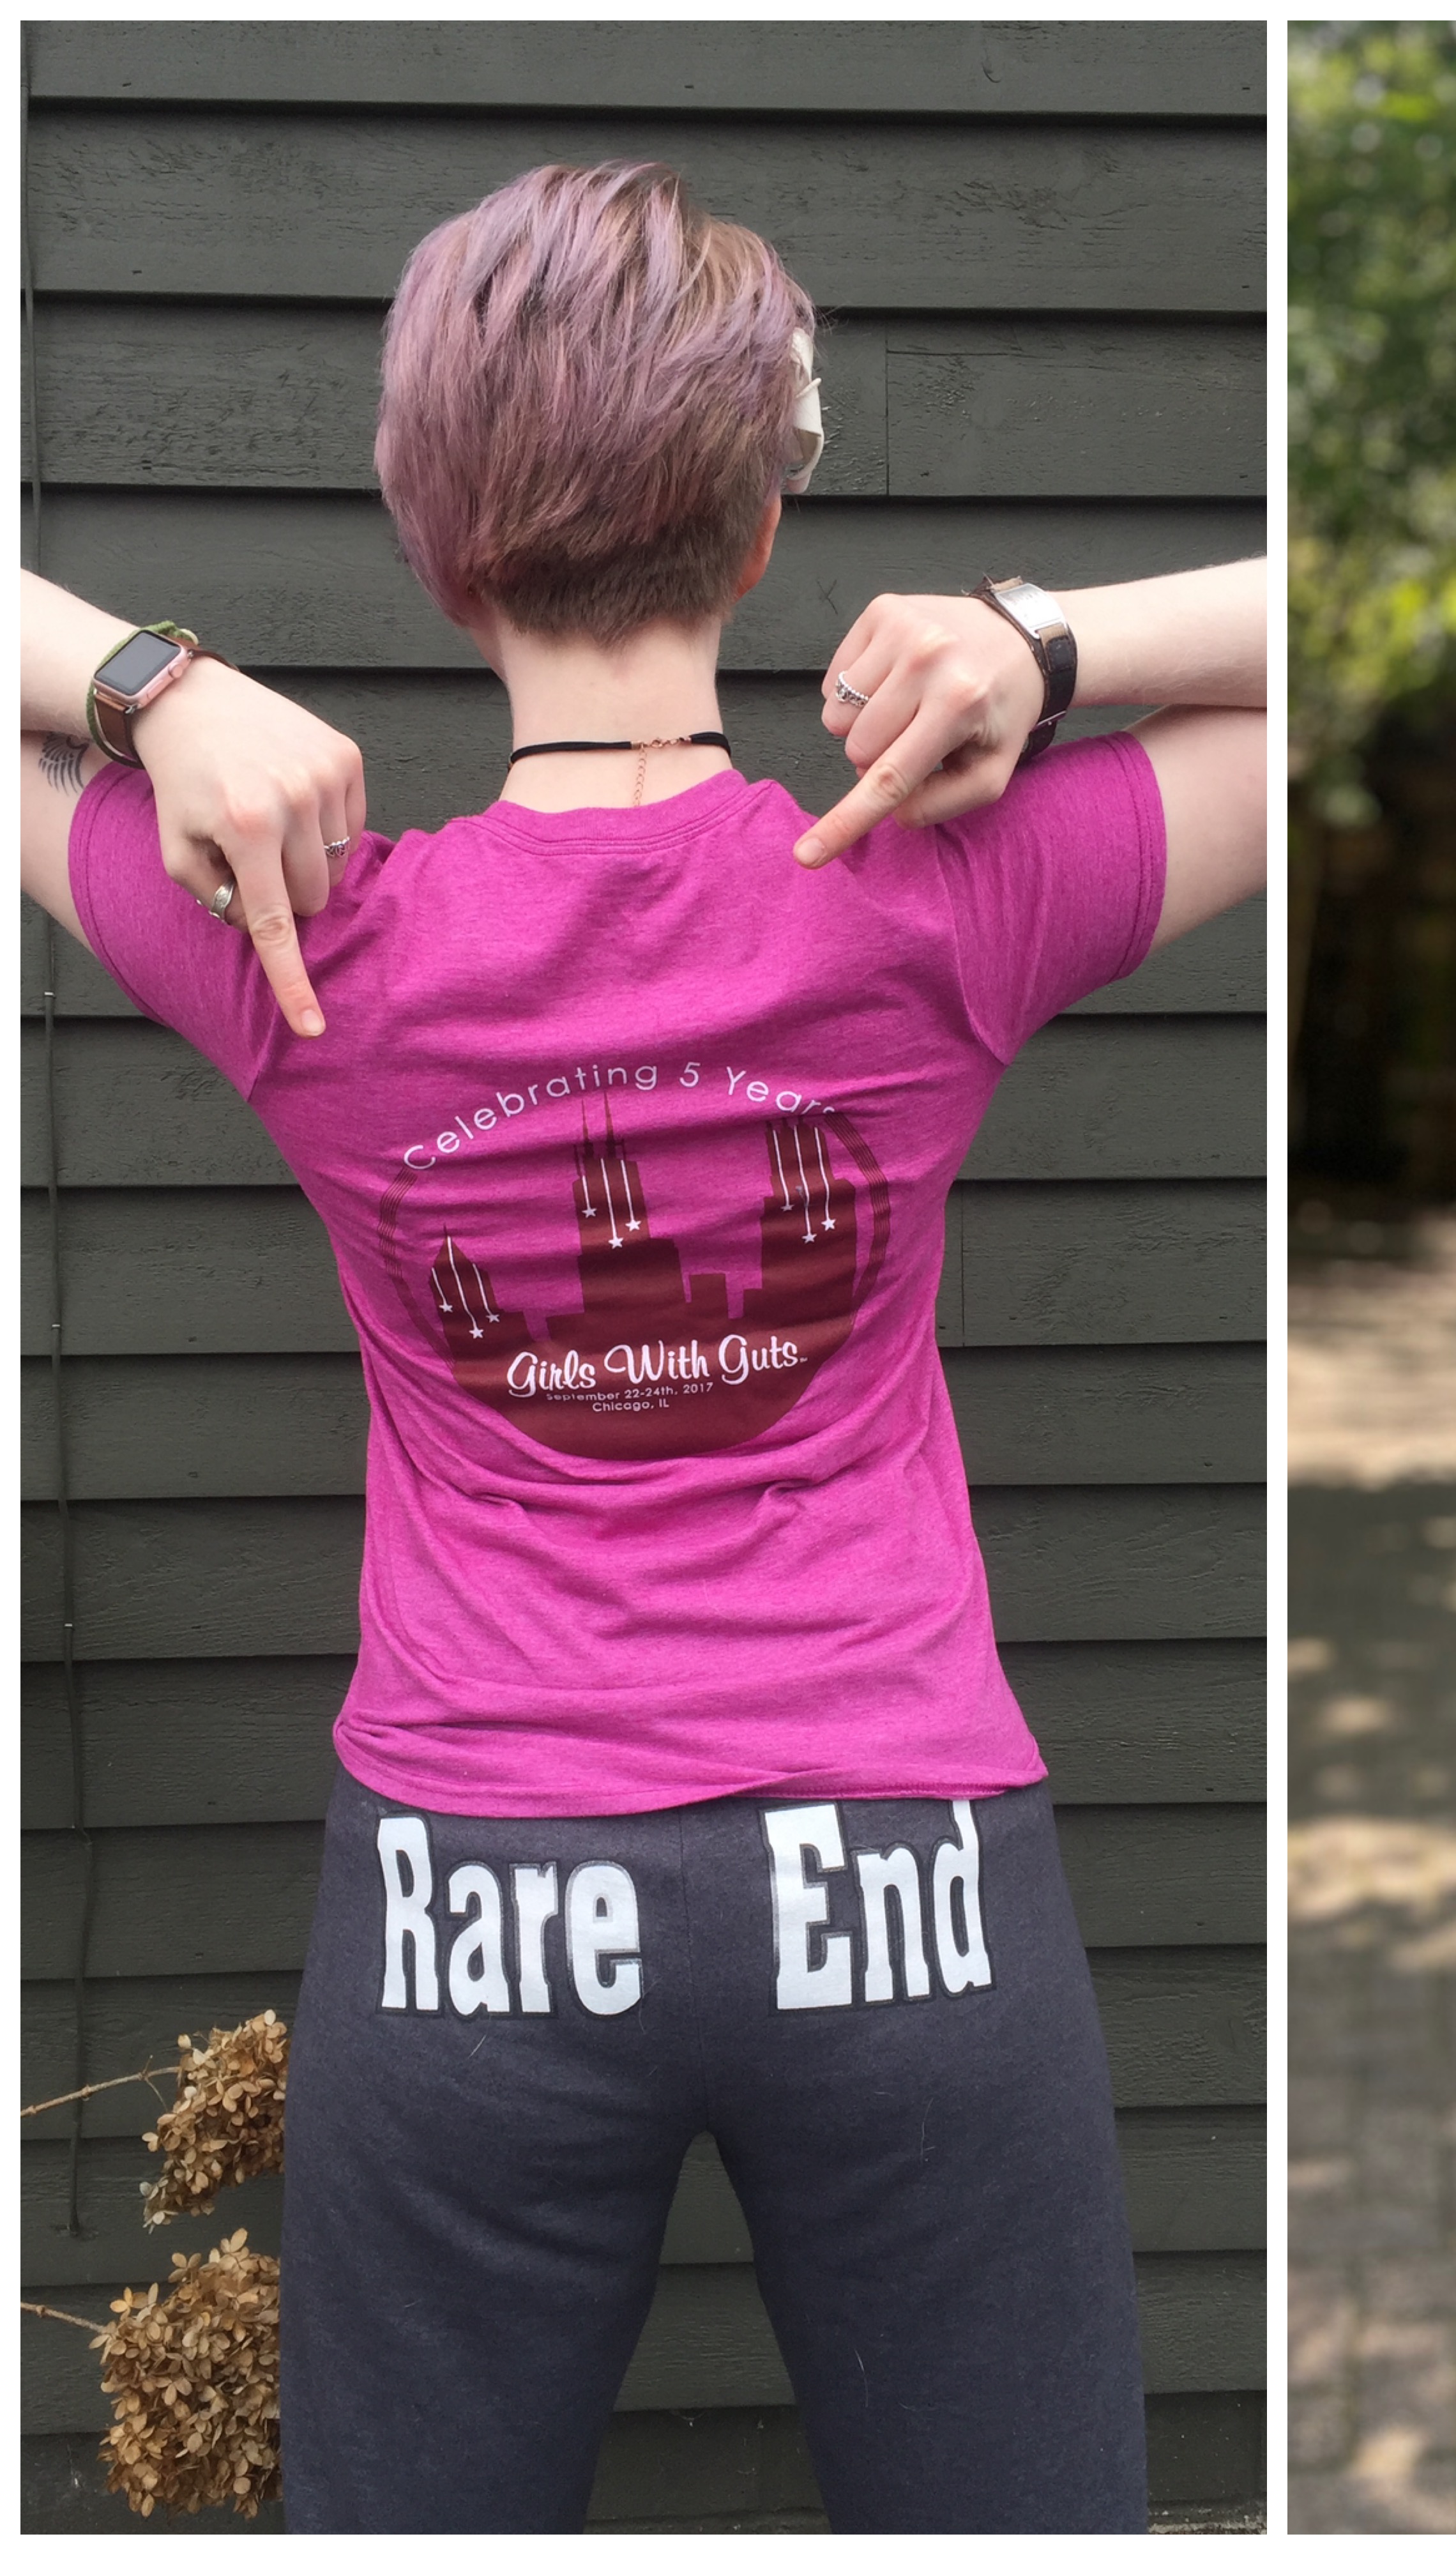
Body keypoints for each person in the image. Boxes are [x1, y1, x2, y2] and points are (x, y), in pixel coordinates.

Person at [20, 159, 1266, 2535]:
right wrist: (1051, 639)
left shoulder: (309, 949)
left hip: (474, 1893)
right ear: (764, 514)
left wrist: (138, 688)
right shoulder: (933, 899)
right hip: (901, 1874)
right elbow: (1326, 660)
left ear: (431, 533)